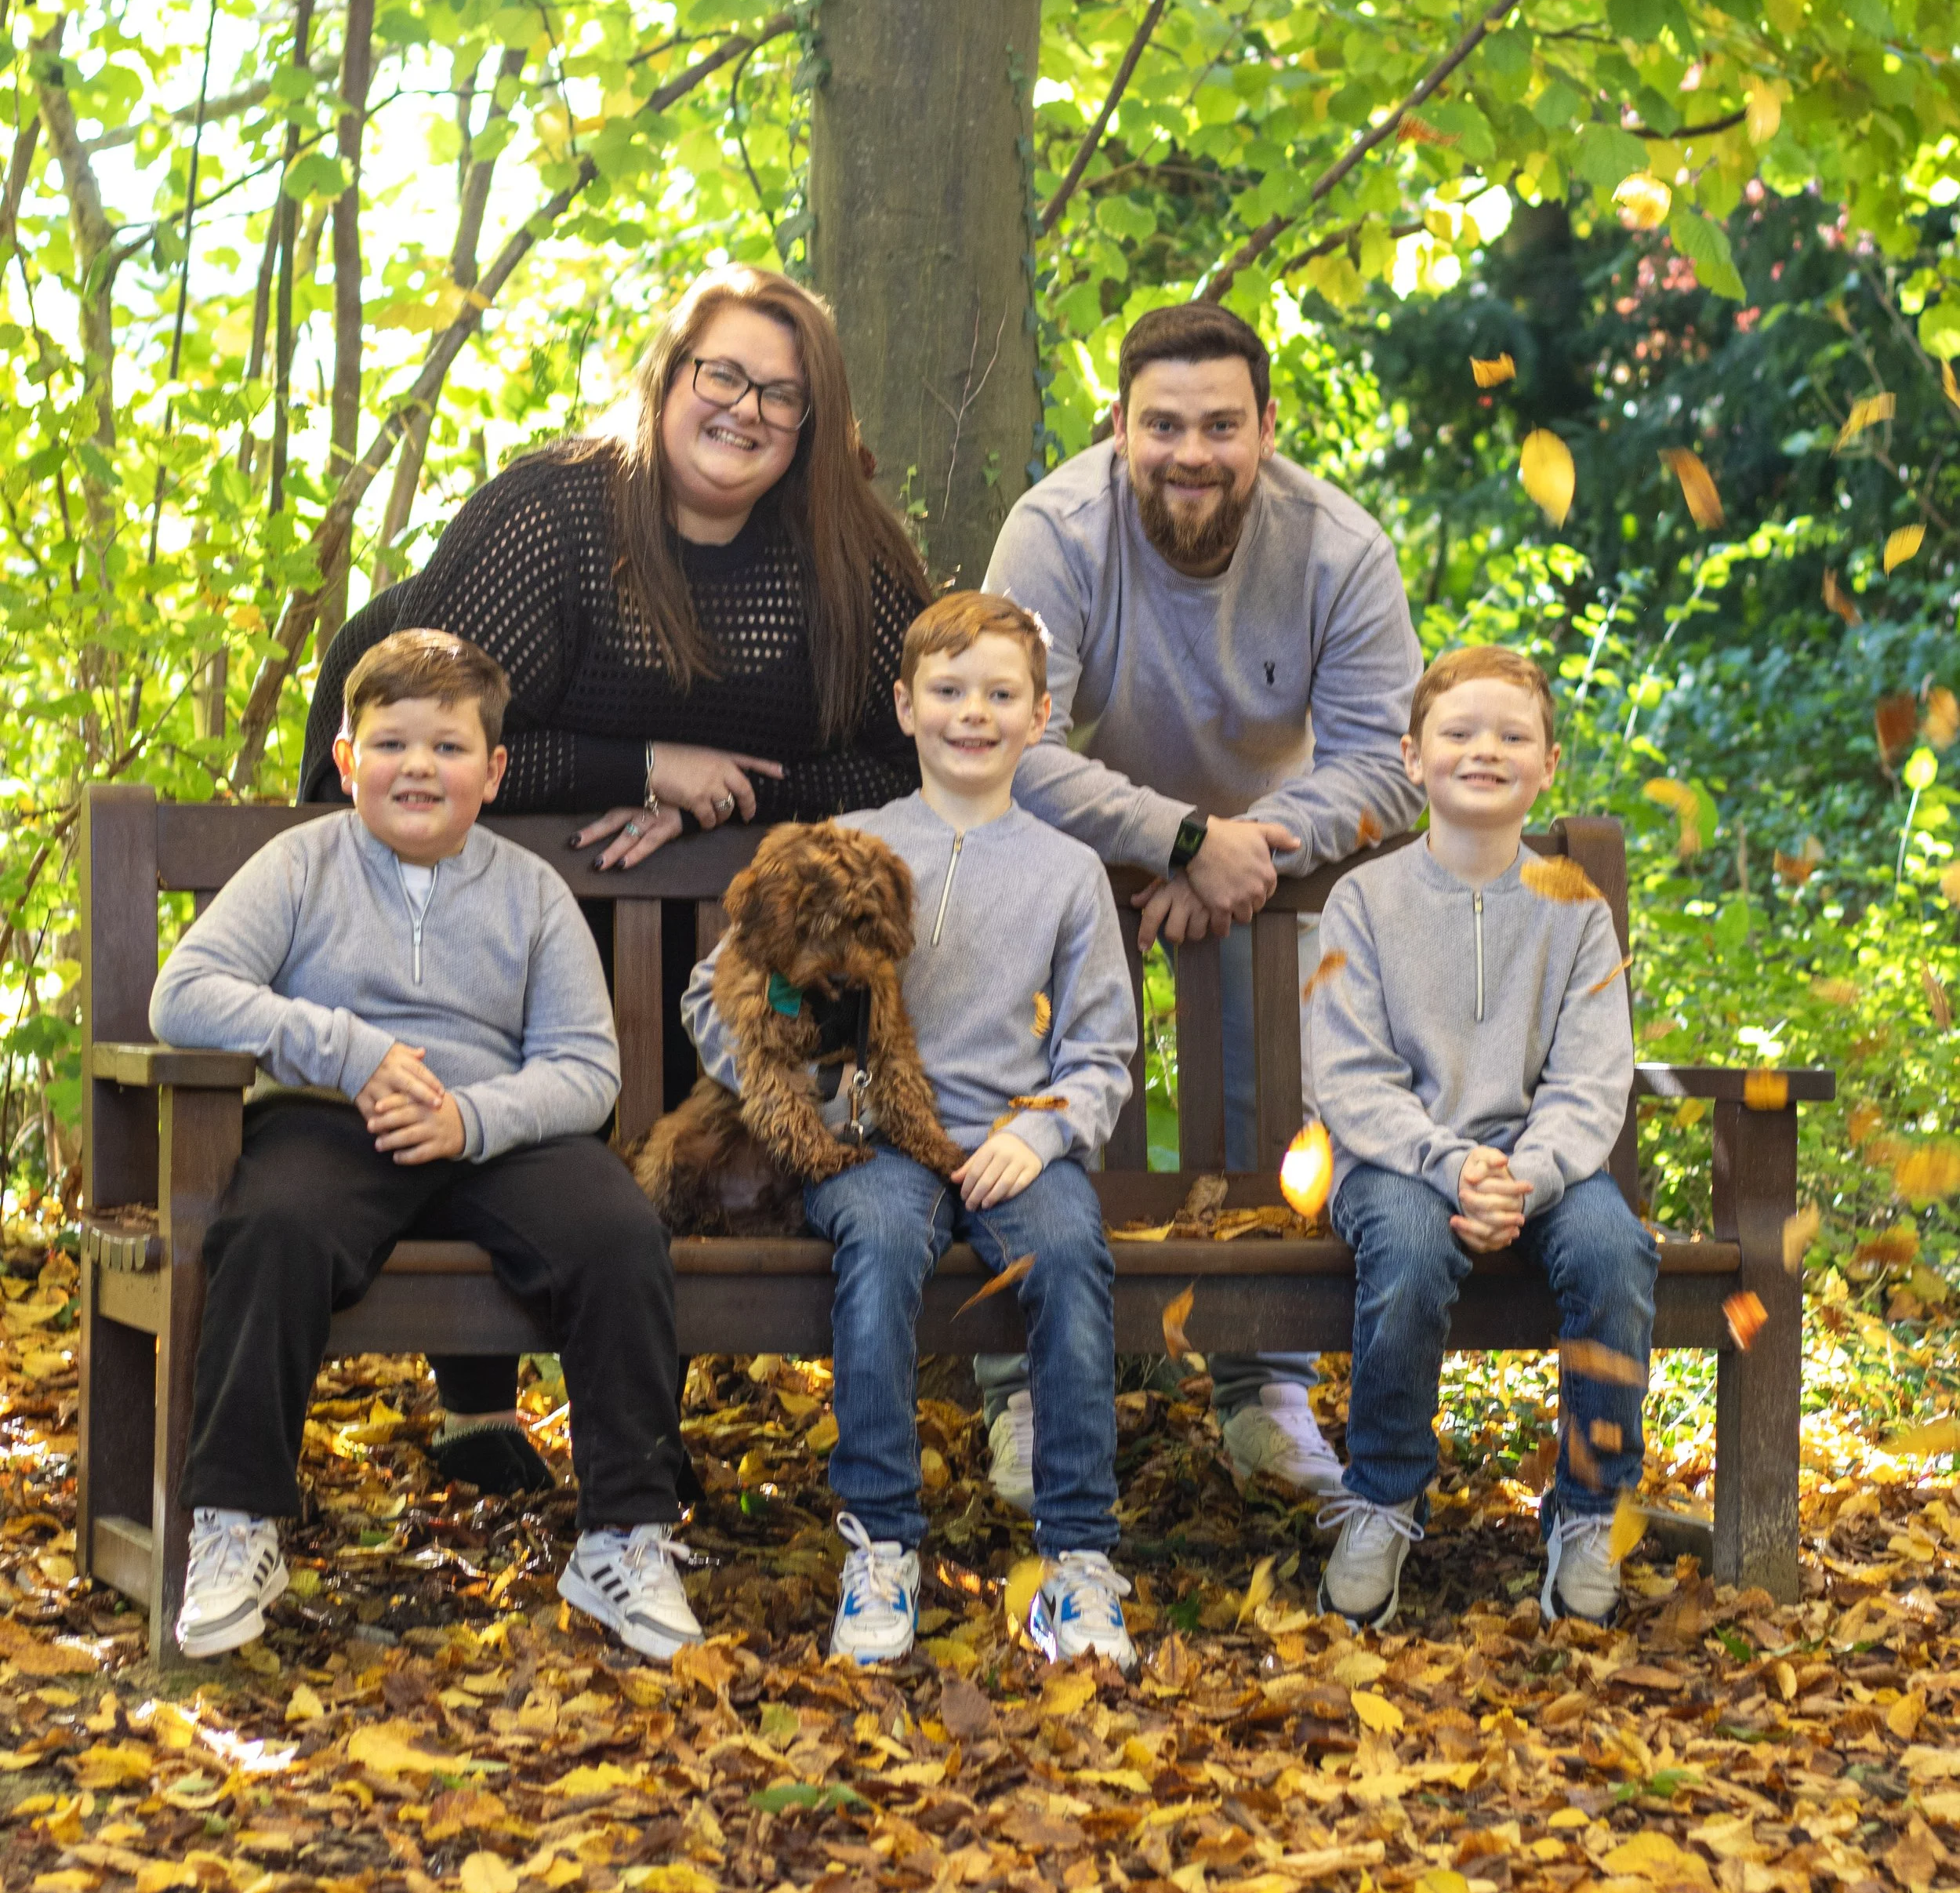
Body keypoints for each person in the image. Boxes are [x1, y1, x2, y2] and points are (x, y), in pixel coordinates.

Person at [298, 267, 931, 1492]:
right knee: (501, 1050)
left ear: (812, 424)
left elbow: (913, 747)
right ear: (670, 377)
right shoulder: (557, 515)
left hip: (719, 923)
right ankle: (478, 1410)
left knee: (714, 1076)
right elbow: (429, 729)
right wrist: (639, 767)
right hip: (506, 873)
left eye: (783, 397)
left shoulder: (842, 553)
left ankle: (640, 1427)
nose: (746, 412)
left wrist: (730, 799)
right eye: (725, 377)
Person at [153, 630, 702, 1664]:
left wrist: (473, 1120)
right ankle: (237, 1523)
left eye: (447, 748)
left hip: (497, 1130)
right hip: (332, 1118)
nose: (417, 767)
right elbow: (187, 993)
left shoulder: (531, 891)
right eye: (391, 743)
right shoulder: (301, 865)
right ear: (348, 760)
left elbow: (587, 1069)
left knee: (620, 1234)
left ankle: (626, 1537)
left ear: (492, 772)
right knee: (273, 1226)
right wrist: (349, 1051)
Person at [981, 300, 1422, 1508]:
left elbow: (1390, 761)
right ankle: (1023, 1388)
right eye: (1163, 424)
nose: (1193, 451)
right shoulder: (1055, 530)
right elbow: (1002, 737)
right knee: (1025, 1077)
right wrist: (1173, 837)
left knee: (1272, 1083)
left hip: (1262, 875)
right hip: (1074, 854)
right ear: (1117, 426)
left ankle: (1264, 1389)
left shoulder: (1339, 546)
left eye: (1221, 424)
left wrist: (1245, 853)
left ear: (1267, 428)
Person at [682, 592, 1142, 1672]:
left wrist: (1050, 1132)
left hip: (1013, 1142)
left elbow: (1101, 1048)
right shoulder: (842, 849)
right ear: (904, 706)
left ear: (1039, 717)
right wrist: (820, 1093)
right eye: (947, 691)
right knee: (879, 1245)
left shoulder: (1067, 871)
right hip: (872, 1144)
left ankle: (1079, 1561)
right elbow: (722, 996)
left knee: (1071, 1254)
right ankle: (881, 1541)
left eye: (999, 695)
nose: (971, 714)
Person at [1310, 645, 1655, 1627]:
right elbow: (1346, 1075)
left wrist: (1529, 1173)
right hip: (1395, 1161)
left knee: (1612, 1249)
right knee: (1411, 1250)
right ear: (1413, 758)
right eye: (1459, 733)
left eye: (1512, 734)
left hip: (1539, 1165)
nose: (1485, 750)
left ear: (1548, 763)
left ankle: (1588, 1508)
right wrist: (1449, 1161)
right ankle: (1383, 1495)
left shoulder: (1575, 910)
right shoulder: (1362, 902)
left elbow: (1593, 1077)